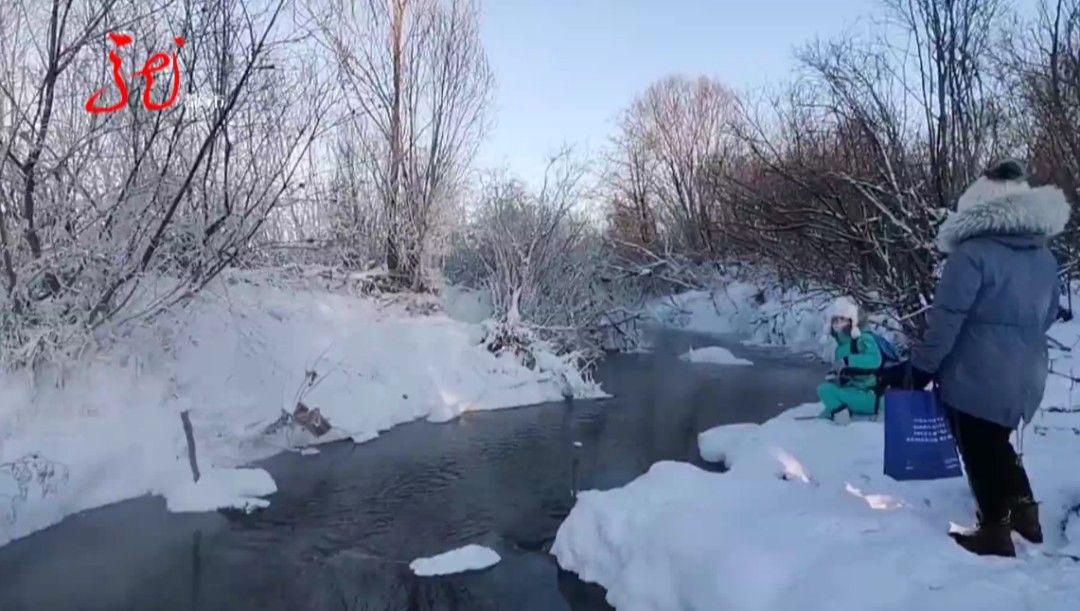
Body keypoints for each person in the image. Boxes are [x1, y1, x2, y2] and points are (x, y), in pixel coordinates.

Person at [879, 159, 1069, 557]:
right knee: (996, 440)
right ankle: (1024, 512)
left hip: (977, 370)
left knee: (979, 447)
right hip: (1028, 371)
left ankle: (993, 530)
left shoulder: (972, 254)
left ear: (978, 203)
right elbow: (1050, 313)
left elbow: (947, 318)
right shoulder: (1044, 257)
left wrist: (922, 366)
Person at [816, 297, 883, 420]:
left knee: (824, 390)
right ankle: (838, 415)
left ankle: (842, 421)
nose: (838, 324)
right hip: (856, 390)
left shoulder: (863, 338)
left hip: (871, 396)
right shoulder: (843, 343)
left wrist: (847, 361)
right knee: (828, 390)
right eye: (836, 320)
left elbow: (875, 360)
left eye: (842, 319)